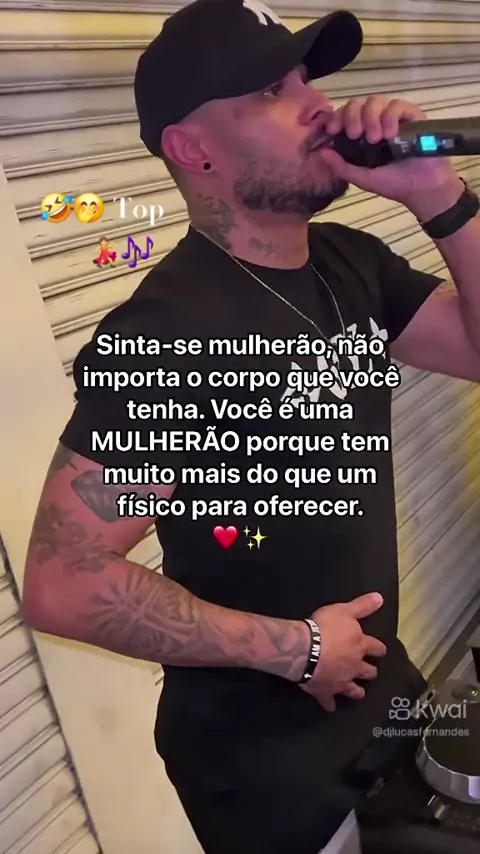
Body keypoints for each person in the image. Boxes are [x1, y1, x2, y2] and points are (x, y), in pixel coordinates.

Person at [22, 1, 480, 852]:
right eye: (274, 89)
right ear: (193, 150)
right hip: (270, 767)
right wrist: (294, 649)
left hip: (380, 694)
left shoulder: (349, 261)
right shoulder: (170, 336)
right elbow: (65, 581)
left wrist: (440, 198)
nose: (318, 105)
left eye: (309, 79)